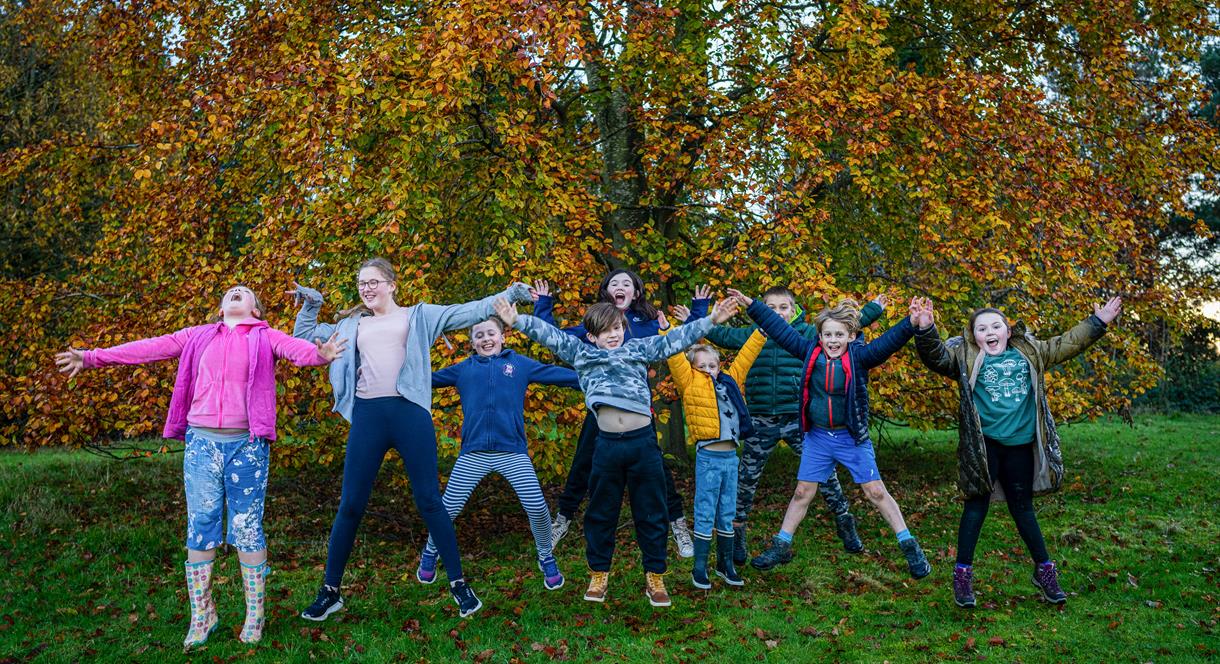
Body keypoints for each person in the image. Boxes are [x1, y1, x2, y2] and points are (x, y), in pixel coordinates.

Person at [55, 285, 345, 649]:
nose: (237, 291)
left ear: (256, 309)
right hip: (202, 445)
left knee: (247, 527)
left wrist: (321, 354)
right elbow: (147, 348)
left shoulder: (266, 336)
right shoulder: (197, 336)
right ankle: (202, 614)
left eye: (245, 291)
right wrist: (92, 357)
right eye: (231, 291)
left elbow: (298, 351)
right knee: (201, 526)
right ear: (221, 309)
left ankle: (254, 615)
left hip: (247, 446)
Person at [291, 258, 533, 620]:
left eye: (373, 282)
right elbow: (303, 339)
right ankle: (329, 591)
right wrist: (311, 304)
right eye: (361, 283)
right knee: (351, 505)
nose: (366, 288)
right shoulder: (350, 324)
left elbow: (469, 311)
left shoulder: (419, 315)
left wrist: (511, 294)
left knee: (430, 501)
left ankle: (459, 584)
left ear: (391, 284)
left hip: (409, 414)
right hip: (369, 416)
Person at [494, 293, 739, 607]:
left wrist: (710, 321)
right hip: (607, 446)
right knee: (601, 512)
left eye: (617, 328)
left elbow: (674, 340)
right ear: (593, 337)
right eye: (606, 331)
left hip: (643, 445)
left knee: (651, 510)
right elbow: (552, 337)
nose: (613, 335)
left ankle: (655, 576)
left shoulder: (637, 349)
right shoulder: (583, 354)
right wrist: (517, 321)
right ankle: (599, 573)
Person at [911, 296, 1122, 607]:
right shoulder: (966, 356)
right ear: (974, 336)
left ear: (1008, 332)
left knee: (1023, 508)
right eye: (982, 329)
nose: (990, 332)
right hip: (984, 447)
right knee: (975, 507)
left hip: (1021, 445)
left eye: (997, 326)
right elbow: (937, 357)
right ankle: (963, 576)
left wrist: (1098, 322)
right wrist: (926, 329)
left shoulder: (1030, 351)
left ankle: (1044, 570)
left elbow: (1066, 344)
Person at [728, 289, 932, 580]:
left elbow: (888, 343)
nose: (832, 341)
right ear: (819, 337)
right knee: (802, 492)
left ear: (850, 336)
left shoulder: (861, 357)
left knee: (875, 492)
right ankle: (781, 545)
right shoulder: (809, 352)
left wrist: (910, 323)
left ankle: (910, 547)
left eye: (838, 335)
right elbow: (778, 328)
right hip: (818, 438)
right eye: (827, 335)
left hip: (851, 439)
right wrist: (753, 306)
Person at [533, 270, 695, 557]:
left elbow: (681, 341)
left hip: (637, 416)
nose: (620, 287)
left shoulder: (648, 325)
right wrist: (543, 304)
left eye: (627, 284)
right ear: (606, 291)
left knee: (657, 470)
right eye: (614, 283)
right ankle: (562, 520)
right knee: (583, 462)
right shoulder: (593, 326)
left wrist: (695, 315)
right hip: (601, 412)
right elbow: (554, 337)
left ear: (636, 292)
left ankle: (678, 524)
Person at [416, 315, 580, 590]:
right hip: (473, 453)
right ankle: (431, 551)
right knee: (446, 510)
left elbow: (560, 376)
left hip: (512, 452)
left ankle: (545, 556)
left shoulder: (519, 364)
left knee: (538, 509)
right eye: (479, 336)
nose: (486, 339)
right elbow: (423, 380)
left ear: (503, 337)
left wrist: (598, 376)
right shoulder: (462, 370)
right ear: (472, 343)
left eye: (491, 333)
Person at [665, 289, 766, 588]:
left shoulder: (729, 381)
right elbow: (675, 357)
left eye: (713, 366)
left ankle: (725, 565)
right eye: (702, 366)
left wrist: (762, 331)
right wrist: (666, 329)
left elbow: (746, 355)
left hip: (730, 458)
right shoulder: (689, 382)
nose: (708, 370)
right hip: (708, 456)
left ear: (720, 367)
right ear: (694, 368)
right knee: (706, 509)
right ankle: (700, 568)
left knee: (727, 510)